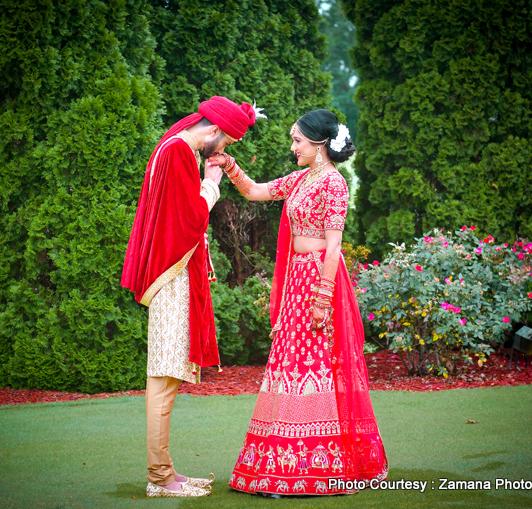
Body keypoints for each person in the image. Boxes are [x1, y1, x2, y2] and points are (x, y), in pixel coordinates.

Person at [207, 109, 389, 496]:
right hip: (296, 280)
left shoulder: (334, 185)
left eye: (298, 141)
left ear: (320, 143)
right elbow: (257, 191)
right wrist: (229, 164)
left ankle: (319, 466)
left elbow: (334, 244)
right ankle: (281, 463)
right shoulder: (301, 179)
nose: (293, 147)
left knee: (316, 365)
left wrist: (323, 298)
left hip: (321, 282)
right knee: (289, 365)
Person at [121, 96, 263, 497]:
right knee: (164, 375)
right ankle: (160, 478)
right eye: (226, 143)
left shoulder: (172, 146)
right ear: (214, 131)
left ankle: (165, 471)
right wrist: (213, 184)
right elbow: (190, 219)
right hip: (172, 276)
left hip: (172, 274)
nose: (222, 151)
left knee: (166, 375)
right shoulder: (181, 152)